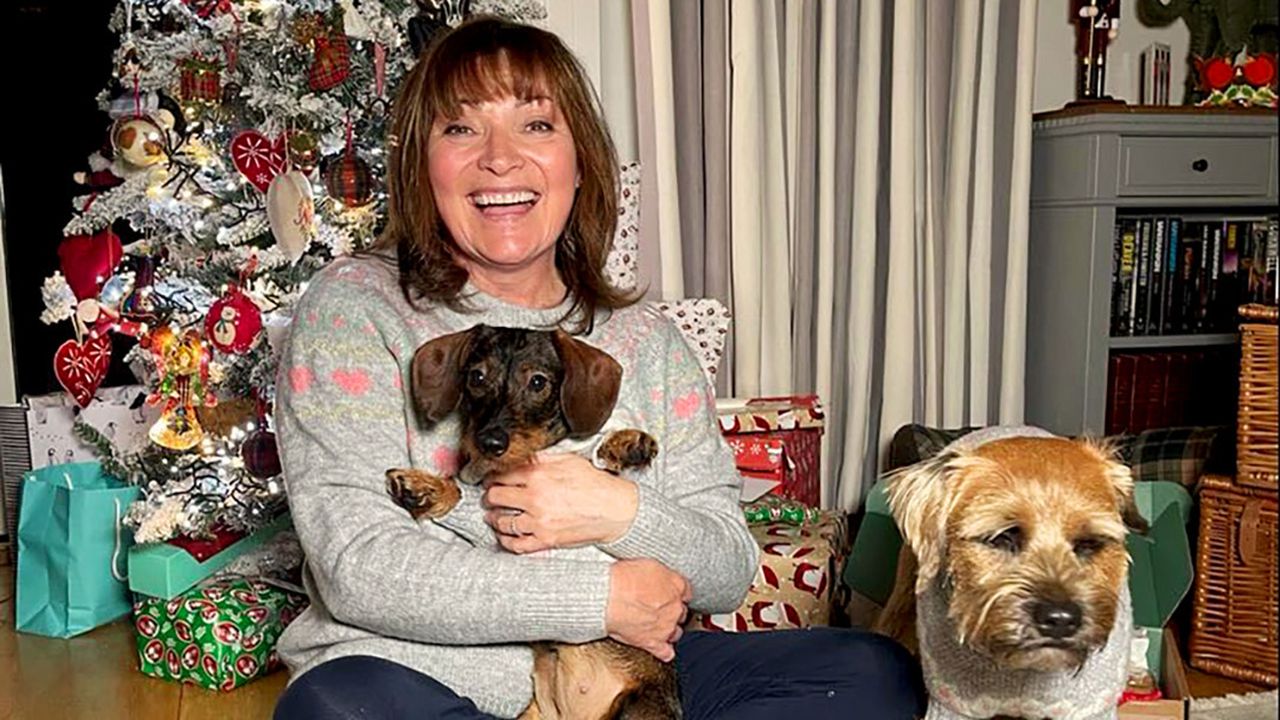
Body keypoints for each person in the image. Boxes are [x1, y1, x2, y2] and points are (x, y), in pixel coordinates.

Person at [273, 15, 925, 720]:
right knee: (336, 709)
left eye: (536, 126)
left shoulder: (645, 341)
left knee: (871, 670)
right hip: (422, 680)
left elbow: (728, 572)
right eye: (460, 129)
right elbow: (359, 571)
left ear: (579, 161)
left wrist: (618, 511)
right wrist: (600, 600)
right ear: (420, 165)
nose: (499, 158)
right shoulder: (355, 307)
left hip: (629, 675)